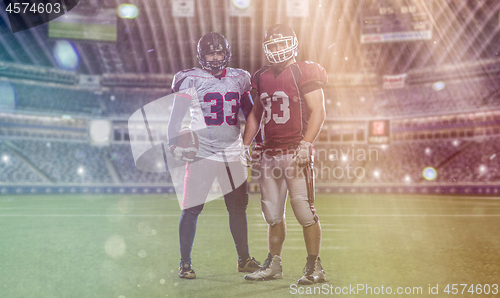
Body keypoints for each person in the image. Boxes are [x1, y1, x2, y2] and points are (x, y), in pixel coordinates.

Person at [168, 32, 261, 279]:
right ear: (201, 55)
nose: (215, 57)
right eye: (210, 52)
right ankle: (185, 263)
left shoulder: (239, 78)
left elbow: (252, 113)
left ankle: (244, 260)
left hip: (232, 154)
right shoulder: (190, 79)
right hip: (203, 154)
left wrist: (255, 142)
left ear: (226, 53)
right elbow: (175, 118)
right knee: (191, 209)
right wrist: (172, 144)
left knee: (238, 209)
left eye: (219, 52)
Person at [240, 24, 327, 285]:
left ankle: (315, 267)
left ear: (293, 44)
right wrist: (246, 144)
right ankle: (274, 265)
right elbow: (256, 114)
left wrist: (306, 144)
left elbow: (319, 111)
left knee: (304, 211)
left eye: (281, 44)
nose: (277, 49)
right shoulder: (262, 76)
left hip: (294, 150)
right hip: (269, 153)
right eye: (273, 45)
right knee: (272, 214)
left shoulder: (305, 71)